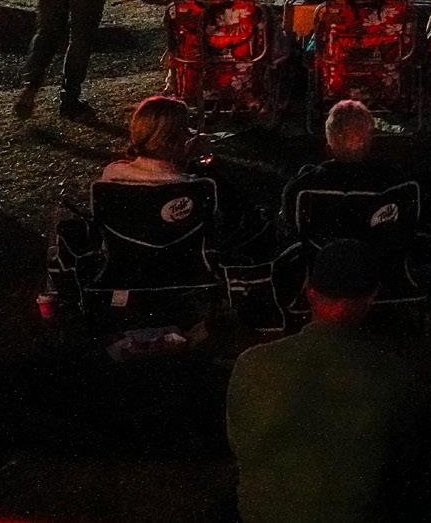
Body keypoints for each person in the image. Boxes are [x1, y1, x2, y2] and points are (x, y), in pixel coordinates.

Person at [227, 239, 411, 523]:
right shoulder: (392, 372)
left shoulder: (251, 364)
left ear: (309, 291)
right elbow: (400, 457)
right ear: (371, 297)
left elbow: (239, 444)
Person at [99, 96, 199, 185]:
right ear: (172, 139)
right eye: (185, 130)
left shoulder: (112, 174)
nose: (188, 135)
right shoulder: (189, 184)